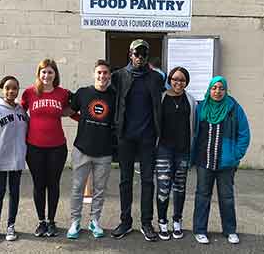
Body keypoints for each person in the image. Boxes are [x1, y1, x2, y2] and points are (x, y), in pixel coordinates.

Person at [110, 39, 165, 241]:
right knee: (125, 180)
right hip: (125, 137)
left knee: (148, 181)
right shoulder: (119, 76)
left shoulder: (156, 78)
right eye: (136, 53)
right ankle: (125, 221)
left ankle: (146, 222)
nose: (139, 57)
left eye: (143, 54)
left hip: (148, 138)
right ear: (130, 54)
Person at [191, 76, 250, 245]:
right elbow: (193, 132)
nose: (217, 91)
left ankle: (230, 230)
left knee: (227, 197)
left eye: (221, 88)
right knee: (202, 196)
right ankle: (200, 230)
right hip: (204, 161)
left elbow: (244, 133)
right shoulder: (201, 108)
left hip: (226, 163)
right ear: (210, 90)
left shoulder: (233, 108)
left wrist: (235, 155)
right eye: (214, 88)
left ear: (226, 90)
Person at [21, 59, 73, 237]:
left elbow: (74, 112)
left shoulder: (63, 93)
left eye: (50, 72)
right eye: (43, 72)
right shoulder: (29, 93)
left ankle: (52, 221)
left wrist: (92, 122)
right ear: (39, 74)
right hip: (34, 147)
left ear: (55, 74)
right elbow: (19, 113)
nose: (47, 75)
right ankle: (41, 221)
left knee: (53, 184)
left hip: (57, 147)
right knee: (39, 184)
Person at [66, 59, 115, 239]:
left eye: (105, 73)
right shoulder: (83, 93)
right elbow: (70, 111)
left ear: (110, 76)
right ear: (94, 74)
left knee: (100, 190)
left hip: (104, 152)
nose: (102, 76)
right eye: (99, 72)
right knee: (77, 188)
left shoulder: (114, 96)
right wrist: (83, 120)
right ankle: (75, 221)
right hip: (82, 149)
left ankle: (95, 221)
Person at [0, 76, 28, 244]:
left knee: (14, 194)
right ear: (2, 89)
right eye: (8, 88)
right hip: (0, 162)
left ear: (18, 90)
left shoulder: (22, 111)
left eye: (15, 88)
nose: (11, 91)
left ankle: (11, 225)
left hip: (16, 162)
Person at [155, 67, 196, 240]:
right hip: (164, 149)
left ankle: (177, 221)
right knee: (163, 188)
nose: (178, 82)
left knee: (179, 188)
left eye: (182, 80)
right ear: (170, 79)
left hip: (183, 150)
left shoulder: (191, 100)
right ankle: (162, 221)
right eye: (175, 79)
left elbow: (194, 125)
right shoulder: (161, 98)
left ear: (186, 82)